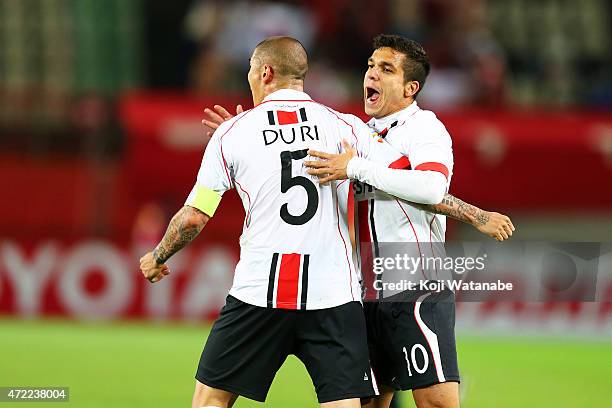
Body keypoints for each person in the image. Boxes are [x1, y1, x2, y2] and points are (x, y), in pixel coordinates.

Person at [203, 34, 514, 408]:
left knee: (436, 401)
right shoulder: (356, 132)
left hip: (413, 285)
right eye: (370, 65)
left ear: (410, 87)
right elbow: (290, 153)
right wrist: (247, 131)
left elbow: (430, 187)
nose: (372, 75)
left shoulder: (424, 129)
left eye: (386, 69)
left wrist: (476, 216)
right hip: (363, 292)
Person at [139, 36, 423, 408]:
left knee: (210, 400)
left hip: (260, 294)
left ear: (266, 73)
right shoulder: (345, 126)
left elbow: (194, 215)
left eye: (251, 74)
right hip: (332, 295)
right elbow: (408, 177)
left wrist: (159, 256)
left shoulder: (233, 132)